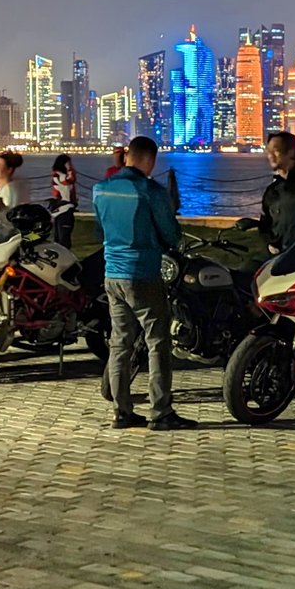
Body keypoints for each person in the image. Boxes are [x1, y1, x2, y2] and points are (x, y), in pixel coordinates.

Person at [93, 137, 189, 429]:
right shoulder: (149, 191)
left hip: (112, 274)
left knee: (120, 343)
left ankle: (121, 412)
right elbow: (170, 232)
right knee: (157, 341)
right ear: (149, 160)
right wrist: (172, 242)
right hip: (142, 273)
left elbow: (100, 230)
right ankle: (161, 412)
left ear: (127, 157)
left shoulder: (101, 189)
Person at [50, 154, 78, 250]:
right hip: (64, 209)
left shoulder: (57, 175)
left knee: (60, 238)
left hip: (61, 210)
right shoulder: (58, 176)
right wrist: (70, 169)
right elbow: (71, 179)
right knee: (63, 240)